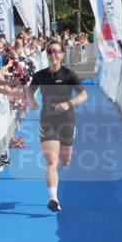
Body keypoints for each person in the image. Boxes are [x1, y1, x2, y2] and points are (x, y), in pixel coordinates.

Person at [27, 40, 88, 213]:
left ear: (62, 54)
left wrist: (69, 103)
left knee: (65, 160)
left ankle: (57, 172)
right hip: (47, 120)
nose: (53, 54)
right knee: (51, 161)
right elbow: (30, 90)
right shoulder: (40, 75)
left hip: (67, 120)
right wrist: (31, 101)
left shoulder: (69, 74)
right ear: (46, 55)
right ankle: (53, 197)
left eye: (57, 51)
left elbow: (84, 95)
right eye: (50, 51)